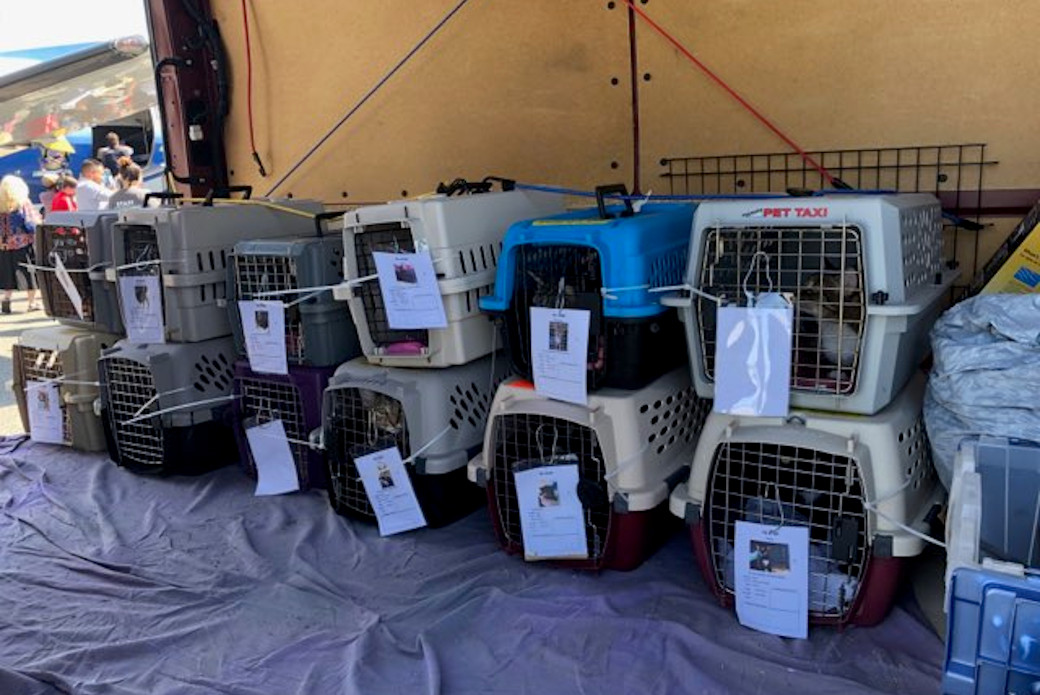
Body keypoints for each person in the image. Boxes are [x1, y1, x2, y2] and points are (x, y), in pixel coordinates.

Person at [0, 175, 39, 313]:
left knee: (7, 273)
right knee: (29, 272)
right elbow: (30, 224)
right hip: (22, 243)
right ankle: (31, 303)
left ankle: (6, 300)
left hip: (3, 245)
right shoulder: (23, 203)